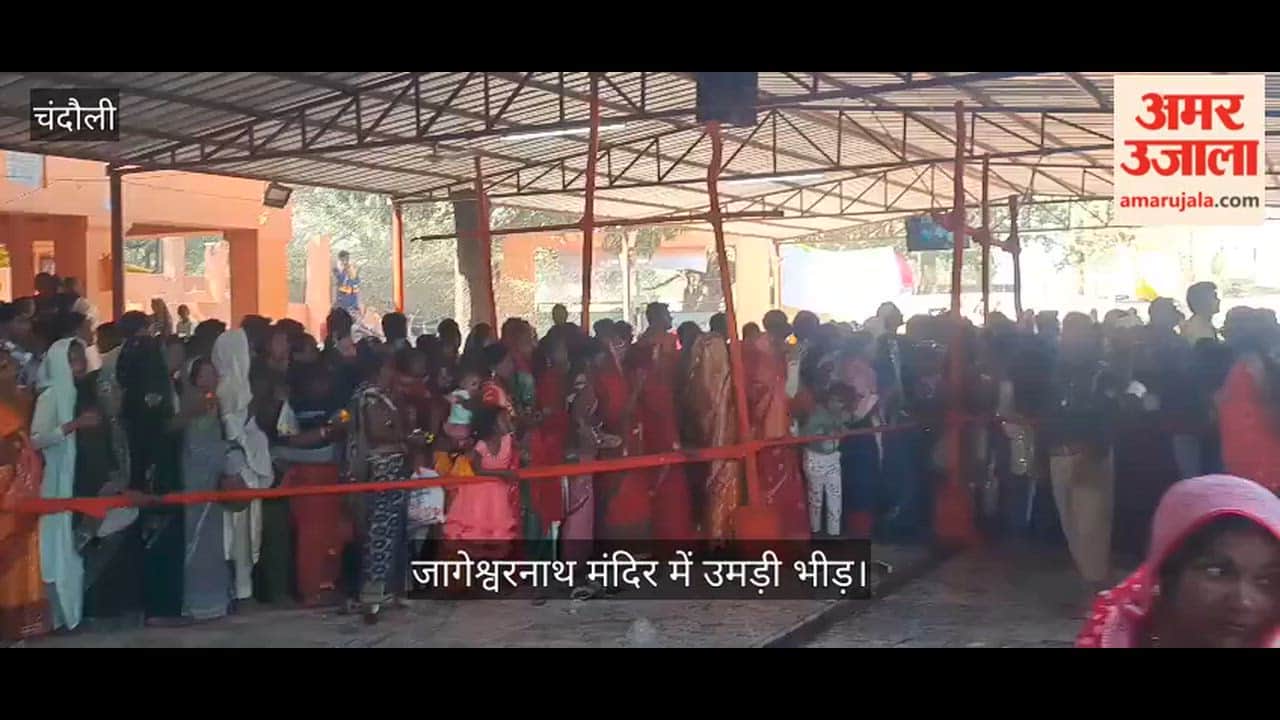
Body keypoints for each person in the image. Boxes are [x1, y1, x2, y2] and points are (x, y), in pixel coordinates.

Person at [1078, 474, 1280, 648]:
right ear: (1165, 571)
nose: (1243, 602)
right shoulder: (1112, 636)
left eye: (1266, 580)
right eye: (1217, 573)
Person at [1045, 312, 1118, 586]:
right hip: (1059, 454)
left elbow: (1108, 417)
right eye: (1067, 331)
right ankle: (1089, 585)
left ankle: (1097, 589)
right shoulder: (1058, 371)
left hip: (1088, 455)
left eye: (1076, 332)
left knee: (1092, 531)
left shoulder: (1101, 373)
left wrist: (1093, 452)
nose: (1069, 337)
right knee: (1071, 528)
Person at [31, 338, 97, 631]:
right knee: (54, 552)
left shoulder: (81, 393)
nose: (79, 365)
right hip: (54, 484)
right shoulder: (51, 396)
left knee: (70, 556)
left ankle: (71, 618)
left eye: (81, 359)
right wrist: (72, 426)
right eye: (72, 360)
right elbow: (36, 438)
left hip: (76, 482)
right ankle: (55, 618)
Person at [344, 345, 410, 622]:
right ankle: (370, 599)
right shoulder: (369, 397)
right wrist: (404, 440)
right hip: (379, 470)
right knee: (377, 533)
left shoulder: (384, 396)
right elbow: (376, 432)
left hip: (393, 470)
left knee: (391, 531)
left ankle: (386, 591)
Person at [213, 329, 274, 603]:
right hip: (238, 470)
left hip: (248, 465)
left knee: (245, 536)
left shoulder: (239, 385)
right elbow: (232, 433)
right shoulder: (229, 389)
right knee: (239, 536)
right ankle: (240, 591)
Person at [628, 303, 696, 542]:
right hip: (661, 412)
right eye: (667, 314)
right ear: (656, 318)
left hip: (651, 414)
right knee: (669, 470)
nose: (671, 318)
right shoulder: (664, 343)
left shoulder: (638, 347)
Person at [172, 357, 232, 621]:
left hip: (212, 480)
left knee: (212, 541)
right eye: (207, 374)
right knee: (194, 540)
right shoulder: (192, 402)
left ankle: (215, 600)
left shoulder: (215, 404)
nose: (213, 378)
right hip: (195, 480)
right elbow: (190, 442)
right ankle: (194, 602)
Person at [744, 317, 810, 541]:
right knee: (780, 481)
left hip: (758, 427)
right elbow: (788, 393)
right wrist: (794, 364)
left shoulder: (754, 350)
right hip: (775, 428)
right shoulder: (772, 356)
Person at [0, 348, 49, 642]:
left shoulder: (18, 403)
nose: (9, 373)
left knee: (22, 561)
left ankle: (17, 629)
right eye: (3, 367)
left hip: (22, 496)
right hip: (6, 495)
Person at [442, 405, 520, 559]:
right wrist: (502, 473)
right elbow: (477, 470)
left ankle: (493, 572)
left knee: (499, 537)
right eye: (502, 419)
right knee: (477, 535)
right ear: (492, 423)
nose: (506, 421)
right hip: (479, 495)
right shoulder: (481, 446)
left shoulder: (508, 441)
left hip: (498, 494)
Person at [1217, 317, 1280, 494]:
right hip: (1267, 462)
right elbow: (1272, 409)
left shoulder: (1237, 368)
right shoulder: (1261, 369)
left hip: (1240, 459)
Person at [1181, 281, 1221, 346]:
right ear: (1204, 301)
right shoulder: (1198, 329)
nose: (1219, 300)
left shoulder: (1204, 323)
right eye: (1214, 297)